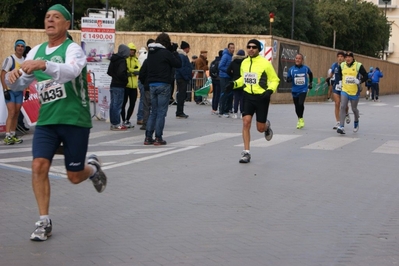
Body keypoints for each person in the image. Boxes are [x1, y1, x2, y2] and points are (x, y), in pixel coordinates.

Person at [5, 4, 107, 241]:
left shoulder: (73, 49)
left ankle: (91, 169)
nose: (50, 20)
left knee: (73, 176)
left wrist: (44, 65)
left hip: (74, 120)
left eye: (56, 17)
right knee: (39, 166)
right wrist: (14, 78)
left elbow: (71, 72)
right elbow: (23, 82)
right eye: (47, 16)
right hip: (47, 121)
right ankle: (44, 221)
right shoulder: (36, 51)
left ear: (66, 24)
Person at [225, 39, 280, 163]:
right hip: (248, 96)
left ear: (258, 49)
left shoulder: (265, 63)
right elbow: (243, 79)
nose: (251, 49)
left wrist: (269, 91)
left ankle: (266, 126)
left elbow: (275, 80)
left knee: (259, 128)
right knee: (246, 122)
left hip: (261, 98)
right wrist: (233, 84)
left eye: (254, 47)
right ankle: (246, 153)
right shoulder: (244, 63)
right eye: (248, 47)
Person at [144, 32, 182, 145]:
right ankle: (158, 137)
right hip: (163, 84)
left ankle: (148, 137)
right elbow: (178, 64)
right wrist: (174, 51)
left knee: (153, 111)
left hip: (152, 85)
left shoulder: (151, 52)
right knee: (161, 112)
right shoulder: (166, 53)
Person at [1, 39, 29, 144]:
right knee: (11, 112)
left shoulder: (25, 60)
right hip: (10, 90)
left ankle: (13, 134)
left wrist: (27, 90)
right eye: (18, 46)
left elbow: (26, 77)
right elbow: (3, 74)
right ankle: (7, 136)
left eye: (22, 46)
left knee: (17, 113)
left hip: (19, 91)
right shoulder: (10, 59)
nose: (20, 48)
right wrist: (5, 90)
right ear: (15, 47)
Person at [335, 51, 368, 134]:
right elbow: (339, 74)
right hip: (345, 90)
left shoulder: (358, 65)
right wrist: (340, 81)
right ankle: (341, 126)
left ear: (353, 58)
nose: (348, 59)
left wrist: (359, 81)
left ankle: (356, 121)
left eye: (349, 57)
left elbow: (366, 75)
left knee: (354, 109)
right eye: (346, 57)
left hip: (354, 91)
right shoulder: (342, 65)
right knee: (342, 106)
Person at [286, 53, 313, 129]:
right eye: (296, 58)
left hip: (303, 89)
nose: (297, 60)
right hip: (294, 90)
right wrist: (289, 79)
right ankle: (300, 118)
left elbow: (310, 74)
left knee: (301, 103)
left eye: (299, 58)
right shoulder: (291, 69)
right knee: (297, 106)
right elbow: (288, 79)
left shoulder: (305, 68)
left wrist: (310, 83)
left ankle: (300, 119)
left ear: (302, 60)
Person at [107, 44, 130, 130]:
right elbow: (121, 73)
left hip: (113, 84)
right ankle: (116, 124)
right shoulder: (122, 61)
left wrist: (114, 76)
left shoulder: (113, 59)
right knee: (118, 105)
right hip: (119, 85)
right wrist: (125, 79)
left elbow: (109, 72)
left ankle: (113, 123)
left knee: (113, 104)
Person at [326, 51, 350, 130]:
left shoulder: (346, 66)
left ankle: (346, 113)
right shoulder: (334, 65)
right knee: (337, 103)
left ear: (344, 58)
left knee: (344, 105)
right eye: (338, 56)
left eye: (341, 56)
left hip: (345, 87)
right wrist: (329, 78)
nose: (340, 58)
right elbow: (332, 73)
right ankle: (338, 122)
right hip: (336, 87)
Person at [121, 42, 140, 128]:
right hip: (126, 85)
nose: (132, 52)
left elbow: (139, 69)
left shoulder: (136, 59)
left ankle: (127, 119)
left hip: (134, 86)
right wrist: (134, 70)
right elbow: (125, 69)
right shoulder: (125, 59)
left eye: (133, 50)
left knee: (132, 104)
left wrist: (131, 71)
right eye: (130, 50)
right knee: (123, 103)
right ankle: (123, 119)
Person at [136, 38, 154, 125]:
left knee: (145, 100)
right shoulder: (145, 56)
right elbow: (143, 71)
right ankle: (141, 117)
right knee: (144, 100)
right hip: (144, 81)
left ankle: (143, 117)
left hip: (145, 81)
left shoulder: (146, 55)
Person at [16, 45, 32, 133]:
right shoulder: (24, 62)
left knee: (22, 107)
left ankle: (20, 123)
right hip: (18, 88)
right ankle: (19, 124)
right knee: (19, 108)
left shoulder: (26, 61)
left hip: (23, 87)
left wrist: (28, 91)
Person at [175, 41, 192, 118]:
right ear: (186, 48)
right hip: (182, 78)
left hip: (182, 78)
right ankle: (179, 112)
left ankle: (180, 111)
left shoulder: (182, 56)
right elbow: (182, 68)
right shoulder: (182, 56)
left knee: (182, 95)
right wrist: (186, 77)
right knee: (181, 95)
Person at [227, 49, 246, 119]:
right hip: (243, 81)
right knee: (242, 98)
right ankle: (242, 113)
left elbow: (228, 70)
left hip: (235, 81)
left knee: (236, 98)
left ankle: (235, 113)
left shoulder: (233, 62)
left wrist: (232, 76)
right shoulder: (245, 62)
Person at [218, 43, 235, 117]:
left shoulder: (231, 56)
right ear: (228, 48)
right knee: (224, 93)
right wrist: (229, 70)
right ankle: (222, 111)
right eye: (231, 48)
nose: (233, 49)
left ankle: (226, 110)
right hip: (224, 77)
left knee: (228, 93)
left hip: (228, 77)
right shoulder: (225, 56)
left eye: (233, 48)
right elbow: (220, 66)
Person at [209, 50, 223, 115]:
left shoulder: (213, 62)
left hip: (213, 79)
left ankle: (213, 108)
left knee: (215, 94)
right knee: (218, 94)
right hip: (219, 79)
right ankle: (217, 108)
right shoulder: (221, 62)